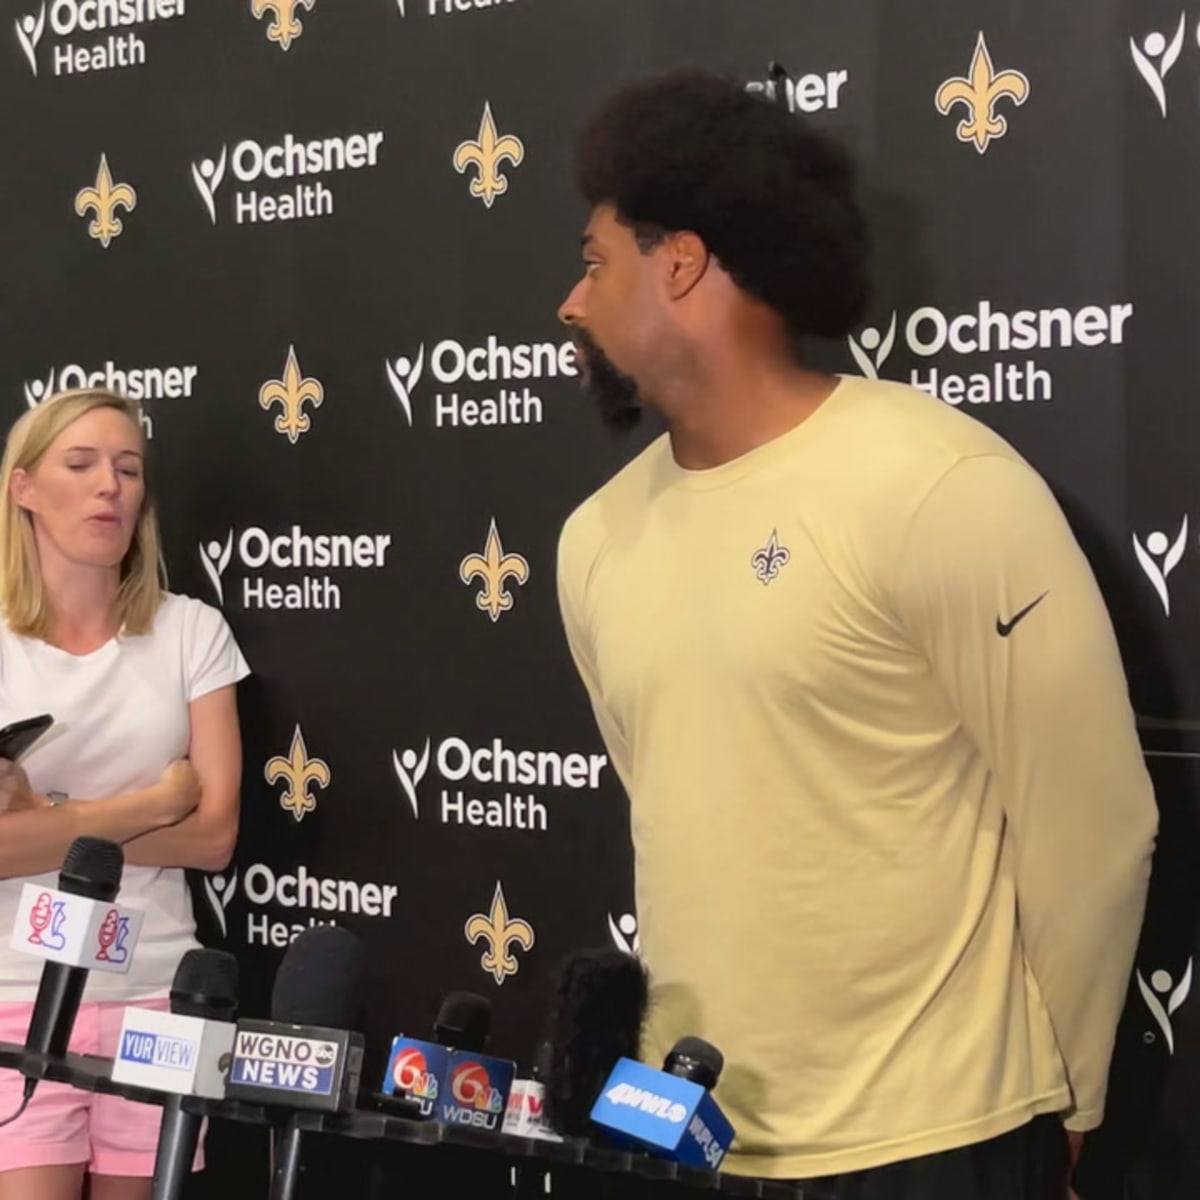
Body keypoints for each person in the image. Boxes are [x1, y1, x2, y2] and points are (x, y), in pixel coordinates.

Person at [554, 70, 1157, 1199]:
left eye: (595, 262)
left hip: (939, 1145)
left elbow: (1095, 826)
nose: (571, 304)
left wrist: (1065, 1096)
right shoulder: (594, 541)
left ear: (679, 262)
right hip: (687, 1139)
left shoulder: (942, 486)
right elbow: (674, 799)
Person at [0, 389, 250, 1200]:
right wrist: (146, 807)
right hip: (12, 998)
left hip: (163, 1004)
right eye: (81, 464)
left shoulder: (191, 633)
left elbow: (212, 837)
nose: (110, 485)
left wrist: (48, 825)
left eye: (128, 468)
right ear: (25, 487)